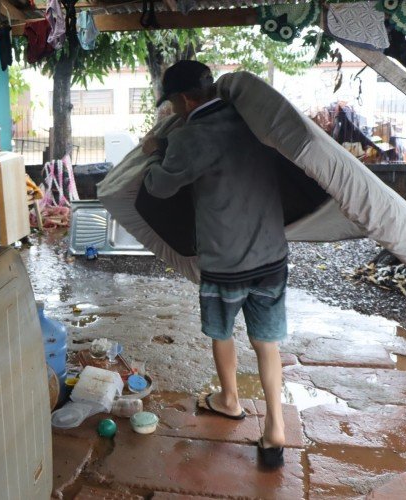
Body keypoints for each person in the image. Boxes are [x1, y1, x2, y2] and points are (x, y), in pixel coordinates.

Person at [142, 60, 289, 468]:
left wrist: (154, 154)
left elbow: (159, 186)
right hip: (272, 255)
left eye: (172, 102)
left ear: (187, 99)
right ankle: (275, 428)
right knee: (266, 342)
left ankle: (228, 400)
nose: (172, 110)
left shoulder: (192, 137)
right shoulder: (251, 122)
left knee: (222, 331)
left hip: (225, 262)